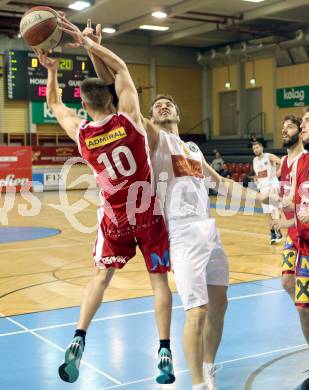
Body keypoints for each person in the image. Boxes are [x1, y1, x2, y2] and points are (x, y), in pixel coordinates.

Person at [72, 22, 276, 389]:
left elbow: (222, 183)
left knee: (220, 303)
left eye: (169, 103)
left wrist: (262, 197)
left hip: (208, 229)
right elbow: (117, 96)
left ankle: (209, 364)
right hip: (179, 232)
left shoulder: (194, 149)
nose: (163, 104)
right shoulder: (153, 140)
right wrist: (93, 49)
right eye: (158, 104)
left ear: (179, 114)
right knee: (195, 310)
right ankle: (198, 383)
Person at [36, 19, 175, 385]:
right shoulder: (130, 119)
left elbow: (53, 103)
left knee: (101, 278)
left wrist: (51, 71)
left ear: (84, 103)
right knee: (159, 282)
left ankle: (79, 337)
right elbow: (123, 69)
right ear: (112, 98)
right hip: (148, 214)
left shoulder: (81, 134)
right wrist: (89, 44)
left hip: (115, 219)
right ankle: (164, 348)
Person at [283, 109, 309, 390]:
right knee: (303, 309)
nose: (303, 125)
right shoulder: (300, 163)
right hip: (304, 245)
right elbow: (292, 199)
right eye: (302, 121)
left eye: (307, 120)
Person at [252, 141, 282, 244]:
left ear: (261, 147)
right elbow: (259, 174)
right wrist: (257, 180)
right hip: (263, 188)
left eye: (257, 147)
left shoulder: (269, 156)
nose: (256, 150)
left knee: (274, 210)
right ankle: (272, 233)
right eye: (254, 148)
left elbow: (281, 162)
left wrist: (276, 173)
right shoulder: (254, 160)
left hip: (272, 186)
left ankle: (279, 231)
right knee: (267, 213)